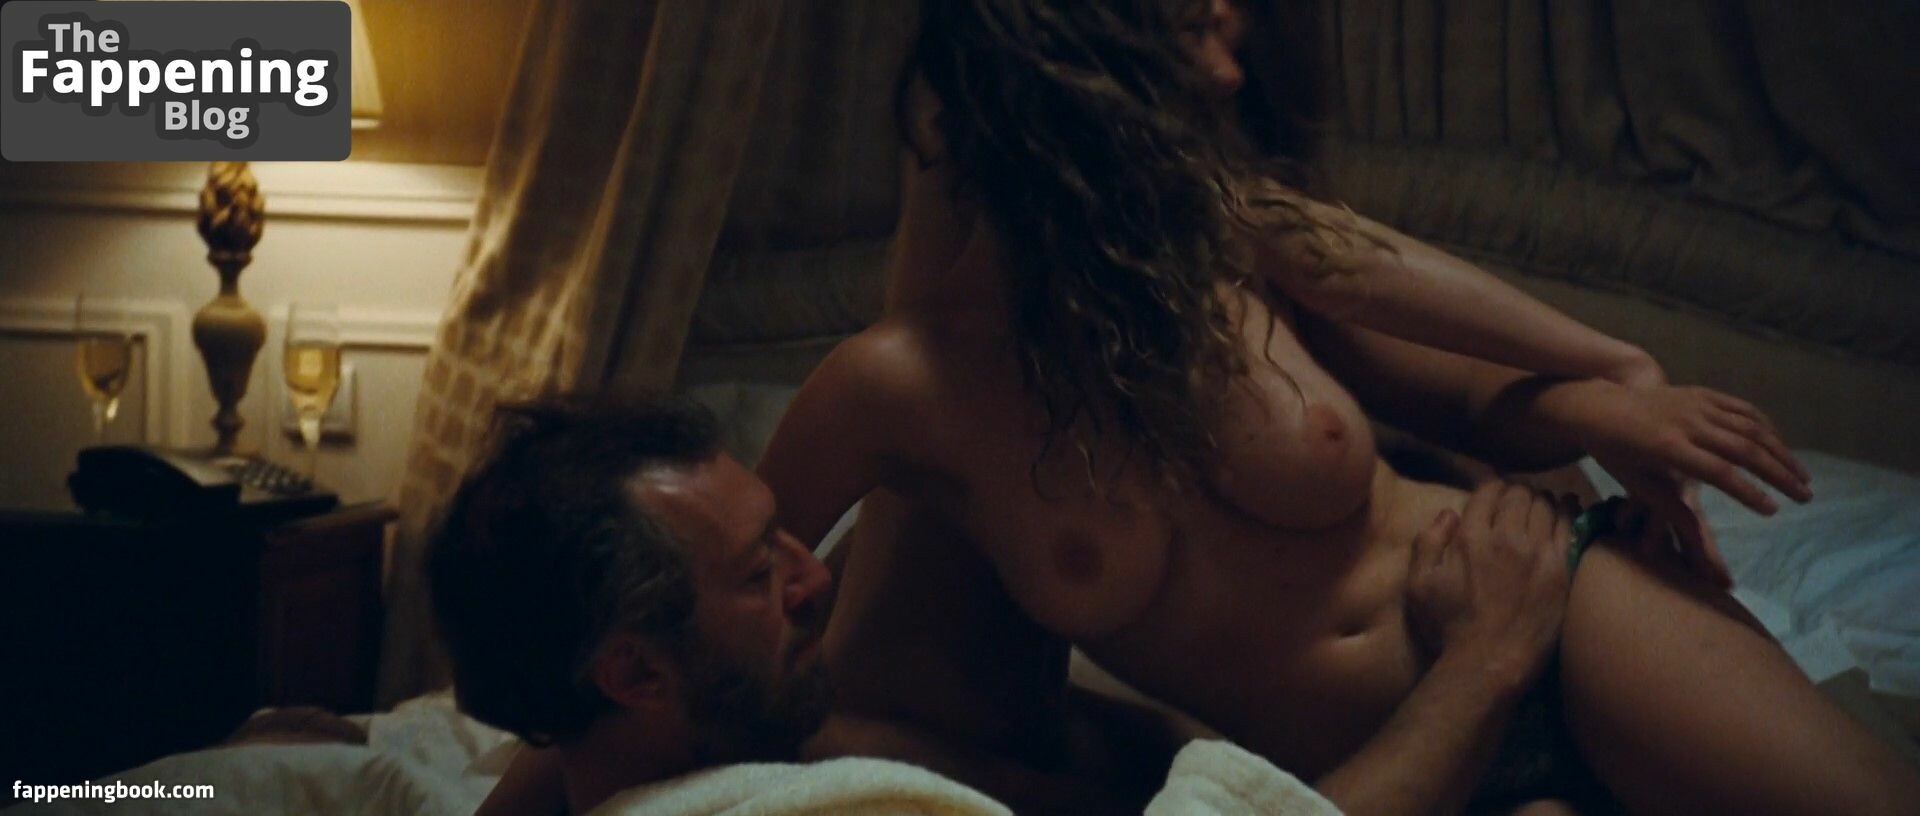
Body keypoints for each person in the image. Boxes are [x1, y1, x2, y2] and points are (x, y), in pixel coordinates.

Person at [755, 1, 1920, 813]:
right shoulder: (895, 385)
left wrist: (1616, 406)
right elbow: (714, 595)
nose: (1230, 39)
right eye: (1187, 19)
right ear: (1080, 65)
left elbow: (1463, 386)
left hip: (1558, 620)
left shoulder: (1221, 234)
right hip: (1400, 777)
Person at [435, 395, 1589, 815]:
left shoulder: (663, 736)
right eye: (756, 575)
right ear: (636, 673)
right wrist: (1486, 658)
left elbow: (569, 741)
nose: (811, 577)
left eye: (788, 534)